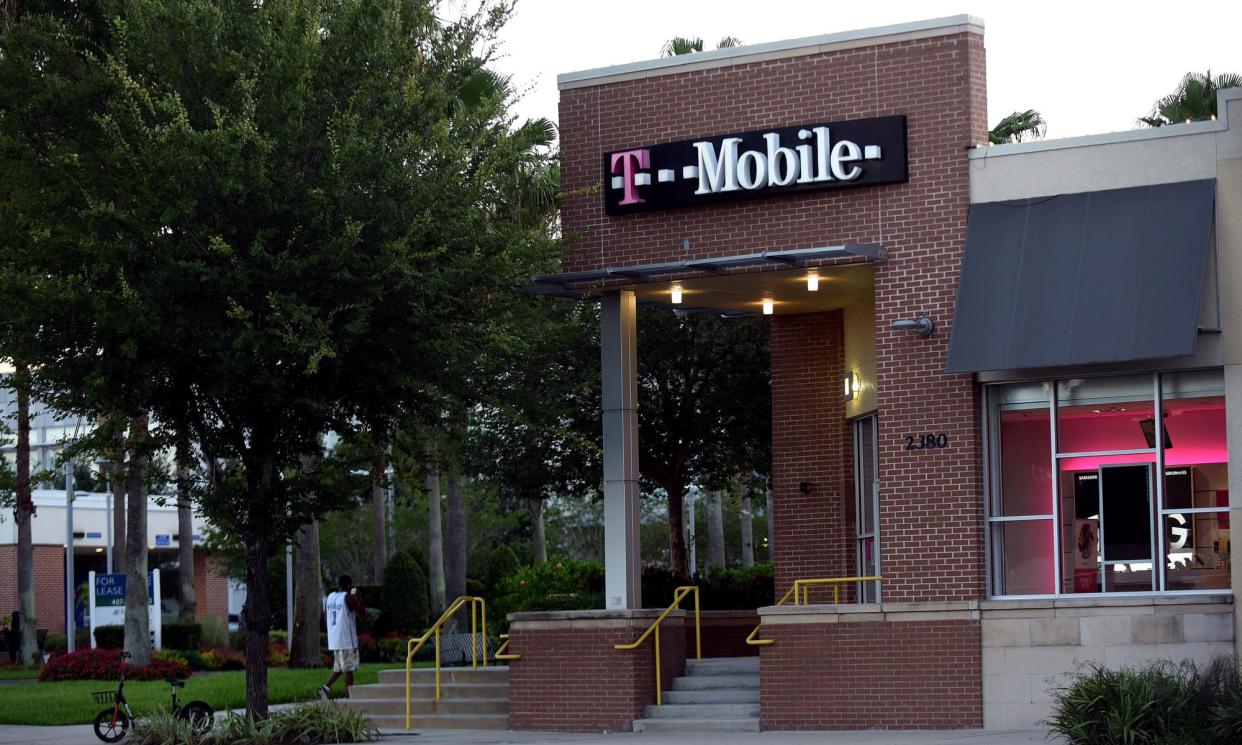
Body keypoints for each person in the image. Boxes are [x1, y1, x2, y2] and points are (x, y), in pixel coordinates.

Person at [319, 575, 364, 700]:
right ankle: (350, 697)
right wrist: (358, 596)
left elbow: (325, 617)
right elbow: (362, 613)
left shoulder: (330, 597)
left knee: (339, 667)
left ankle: (325, 687)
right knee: (348, 669)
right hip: (346, 640)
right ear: (349, 585)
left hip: (334, 639)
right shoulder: (348, 598)